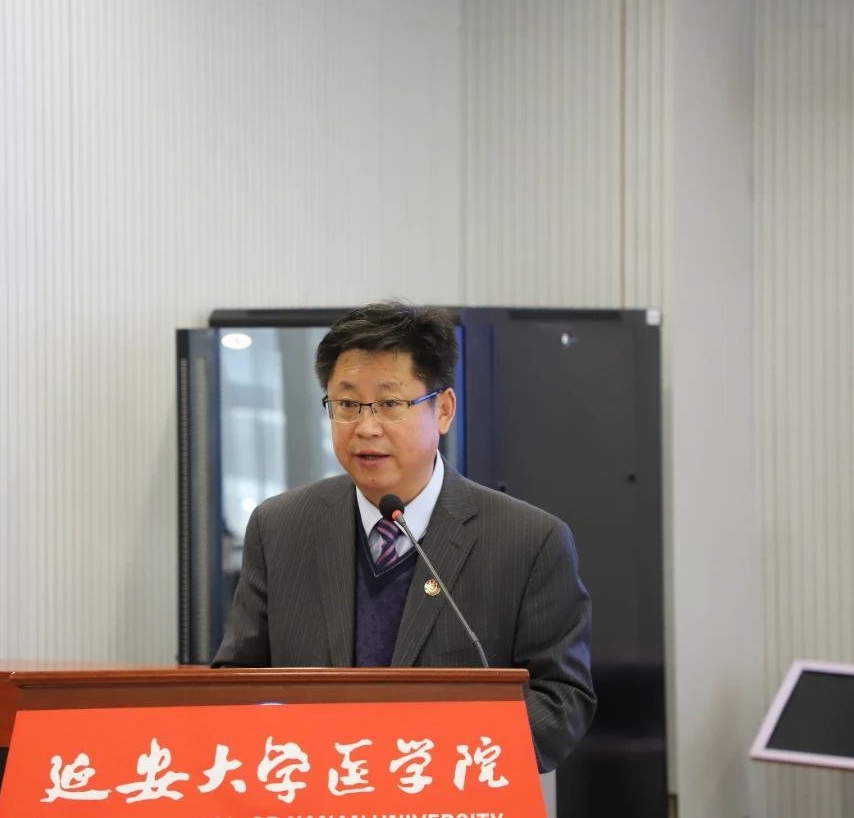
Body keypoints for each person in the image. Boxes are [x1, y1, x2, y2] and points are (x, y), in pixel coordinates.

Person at [212, 301, 595, 772]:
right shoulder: (279, 528)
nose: (366, 427)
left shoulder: (529, 541)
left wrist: (421, 756)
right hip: (315, 789)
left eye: (390, 404)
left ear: (444, 410)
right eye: (347, 405)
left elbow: (561, 703)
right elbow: (236, 684)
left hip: (451, 793)